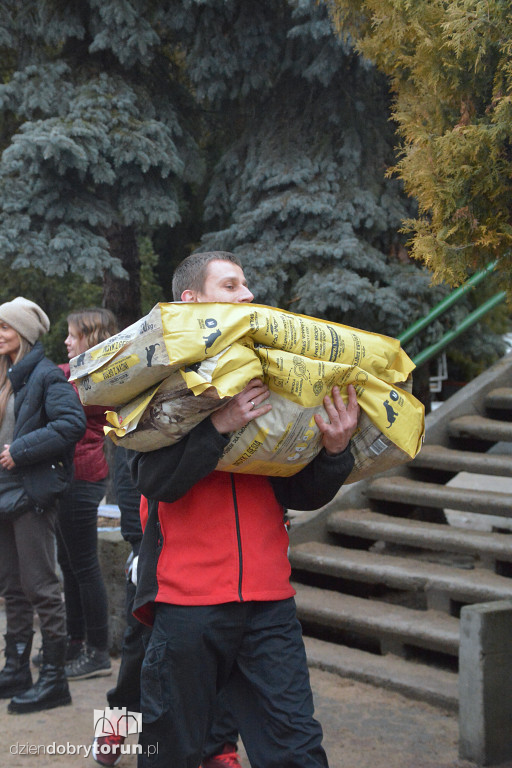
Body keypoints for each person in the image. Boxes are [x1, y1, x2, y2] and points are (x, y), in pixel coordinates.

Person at [130, 252, 360, 768]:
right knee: (174, 751)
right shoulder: (161, 378)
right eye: (231, 284)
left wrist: (334, 451)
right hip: (187, 605)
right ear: (192, 300)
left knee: (297, 750)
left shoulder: (276, 372)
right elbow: (154, 482)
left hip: (268, 602)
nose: (248, 294)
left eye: (247, 284)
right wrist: (218, 425)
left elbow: (298, 494)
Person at [0, 296, 86, 714]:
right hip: (2, 495)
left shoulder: (46, 375)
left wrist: (21, 449)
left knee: (41, 587)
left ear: (25, 333)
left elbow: (72, 424)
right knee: (12, 590)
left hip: (30, 494)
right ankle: (16, 667)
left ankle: (55, 680)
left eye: (5, 327)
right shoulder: (6, 375)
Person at [56, 308, 118, 680]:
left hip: (83, 476)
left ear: (92, 338)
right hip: (72, 476)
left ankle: (96, 652)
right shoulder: (76, 374)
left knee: (83, 565)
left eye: (73, 335)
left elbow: (66, 388)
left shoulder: (99, 378)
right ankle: (75, 641)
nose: (66, 341)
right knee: (68, 562)